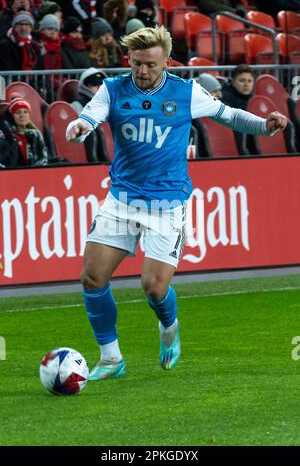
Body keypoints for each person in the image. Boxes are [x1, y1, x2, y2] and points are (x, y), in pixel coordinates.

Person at [66, 26, 287, 381]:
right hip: (121, 199)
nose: (142, 71)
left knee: (153, 287)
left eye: (151, 65)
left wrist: (265, 125)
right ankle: (111, 359)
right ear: (129, 60)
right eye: (137, 64)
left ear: (166, 62)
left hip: (167, 204)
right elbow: (90, 115)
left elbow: (228, 115)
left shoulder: (186, 93)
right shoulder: (112, 89)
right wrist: (80, 125)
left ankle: (169, 326)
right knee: (92, 278)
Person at [222, 64, 257, 155]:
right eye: (242, 80)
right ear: (233, 82)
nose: (246, 84)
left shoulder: (255, 101)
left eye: (249, 81)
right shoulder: (225, 100)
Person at [7, 95, 48, 166]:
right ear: (12, 116)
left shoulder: (35, 134)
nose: (22, 115)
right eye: (18, 112)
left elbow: (44, 158)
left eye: (25, 112)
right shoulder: (8, 136)